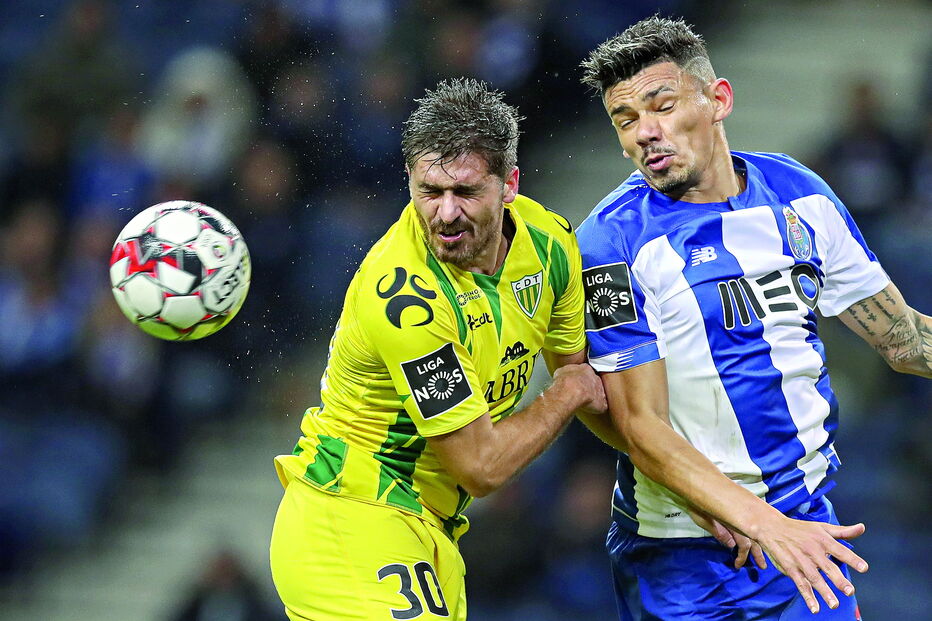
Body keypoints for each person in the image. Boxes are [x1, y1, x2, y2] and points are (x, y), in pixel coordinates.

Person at [575, 16, 932, 620]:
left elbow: (903, 340)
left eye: (662, 106)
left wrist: (785, 530)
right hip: (684, 560)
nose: (647, 134)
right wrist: (762, 524)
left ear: (718, 100)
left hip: (807, 535)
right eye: (626, 120)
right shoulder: (608, 246)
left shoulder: (800, 195)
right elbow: (641, 426)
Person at [269, 78, 606, 621]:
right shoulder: (405, 297)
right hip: (351, 517)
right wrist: (561, 396)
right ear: (409, 181)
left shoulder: (551, 244)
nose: (446, 213)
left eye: (466, 192)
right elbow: (482, 464)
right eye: (430, 191)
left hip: (432, 532)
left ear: (509, 184)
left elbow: (586, 375)